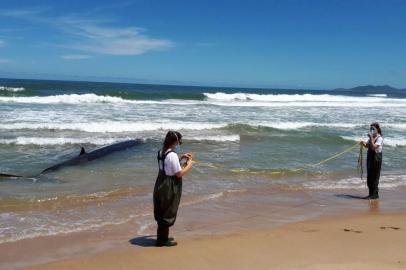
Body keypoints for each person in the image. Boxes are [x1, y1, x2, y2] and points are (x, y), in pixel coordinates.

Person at [153, 131, 193, 247]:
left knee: (161, 210)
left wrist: (180, 158)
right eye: (179, 141)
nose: (179, 143)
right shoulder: (172, 155)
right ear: (175, 142)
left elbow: (167, 164)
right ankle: (162, 241)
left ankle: (162, 237)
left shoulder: (161, 152)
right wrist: (189, 164)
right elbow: (179, 174)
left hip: (160, 183)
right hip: (169, 185)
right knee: (168, 210)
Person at [360, 122, 383, 199]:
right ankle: (371, 194)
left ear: (378, 129)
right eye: (371, 128)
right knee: (369, 177)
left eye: (373, 128)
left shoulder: (379, 138)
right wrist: (362, 143)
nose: (372, 130)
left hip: (376, 159)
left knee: (375, 177)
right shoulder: (372, 137)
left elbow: (373, 147)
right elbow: (367, 146)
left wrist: (371, 138)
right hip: (370, 158)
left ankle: (374, 195)